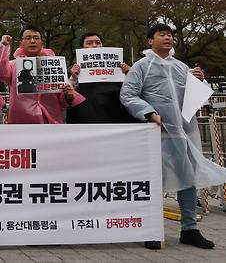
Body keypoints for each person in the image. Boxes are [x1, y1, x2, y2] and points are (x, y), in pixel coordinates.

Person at [120, 23, 226, 250]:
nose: (167, 38)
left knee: (187, 179)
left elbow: (192, 98)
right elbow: (128, 95)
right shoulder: (142, 66)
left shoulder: (181, 67)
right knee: (154, 181)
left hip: (184, 133)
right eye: (162, 34)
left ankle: (190, 229)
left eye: (170, 35)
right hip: (157, 133)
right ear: (150, 40)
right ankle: (152, 230)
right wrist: (148, 112)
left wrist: (198, 82)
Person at [0, 25, 84, 124]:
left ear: (41, 43)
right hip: (21, 122)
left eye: (36, 38)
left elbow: (62, 98)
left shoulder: (54, 65)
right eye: (28, 38)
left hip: (51, 120)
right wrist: (3, 46)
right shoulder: (13, 65)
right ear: (20, 43)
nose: (32, 41)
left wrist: (68, 95)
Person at [66, 32, 137, 123]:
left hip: (114, 115)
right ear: (82, 48)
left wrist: (129, 74)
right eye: (89, 43)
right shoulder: (74, 72)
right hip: (87, 117)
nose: (94, 46)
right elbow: (68, 97)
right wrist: (74, 77)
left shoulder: (118, 68)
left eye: (98, 42)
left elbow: (132, 91)